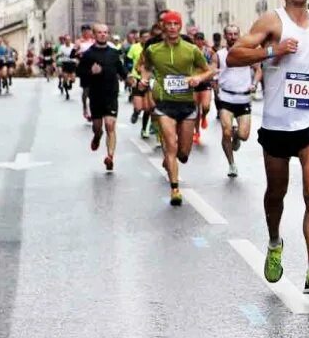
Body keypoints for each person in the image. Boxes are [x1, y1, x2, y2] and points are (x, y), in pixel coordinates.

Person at [224, 0, 309, 295]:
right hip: (278, 122)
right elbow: (234, 56)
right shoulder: (271, 21)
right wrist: (273, 50)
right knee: (276, 192)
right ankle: (275, 242)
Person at [135, 11, 215, 206]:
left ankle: (172, 159)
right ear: (163, 27)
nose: (172, 27)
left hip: (187, 104)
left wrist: (198, 78)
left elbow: (208, 71)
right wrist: (144, 79)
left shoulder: (191, 49)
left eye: (175, 24)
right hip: (164, 104)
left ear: (180, 27)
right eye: (168, 24)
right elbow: (144, 66)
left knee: (184, 154)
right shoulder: (153, 50)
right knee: (171, 146)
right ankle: (175, 189)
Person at [78, 23, 127, 173]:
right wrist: (90, 72)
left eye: (105, 32)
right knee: (98, 128)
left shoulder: (114, 53)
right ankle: (97, 136)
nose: (103, 35)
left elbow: (121, 70)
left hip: (111, 95)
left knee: (110, 126)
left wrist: (129, 78)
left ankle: (110, 157)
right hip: (96, 96)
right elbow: (80, 75)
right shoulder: (88, 54)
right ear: (94, 35)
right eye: (99, 32)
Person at [214, 23, 259, 178]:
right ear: (225, 36)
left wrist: (254, 84)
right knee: (226, 132)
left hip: (243, 98)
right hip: (226, 98)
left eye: (235, 34)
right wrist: (215, 86)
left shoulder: (246, 53)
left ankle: (237, 134)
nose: (232, 37)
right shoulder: (219, 55)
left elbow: (258, 70)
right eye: (230, 34)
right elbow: (212, 71)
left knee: (244, 135)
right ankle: (232, 165)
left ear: (239, 36)